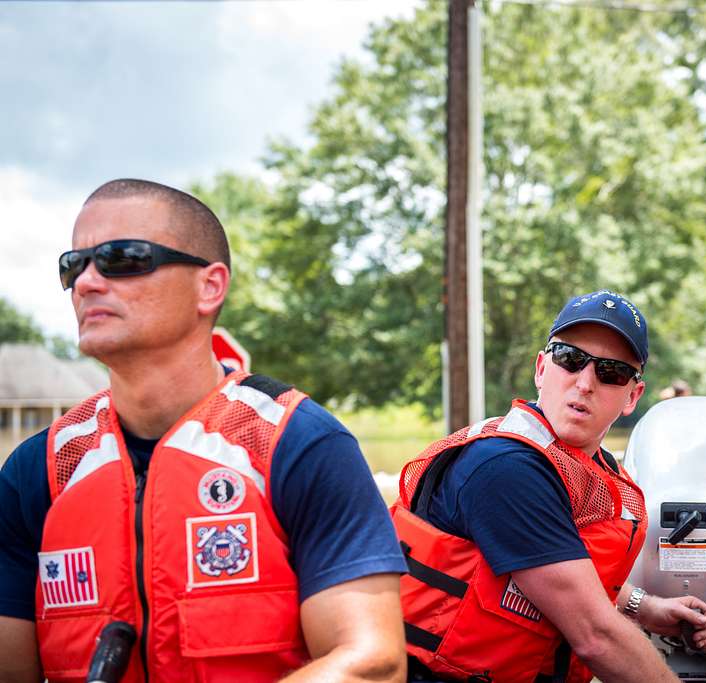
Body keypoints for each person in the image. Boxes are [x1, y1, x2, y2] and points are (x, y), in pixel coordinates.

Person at [0, 179, 408, 683]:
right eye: (73, 265)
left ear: (210, 286)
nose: (86, 282)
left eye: (121, 258)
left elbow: (372, 662)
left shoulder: (300, 444)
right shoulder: (36, 471)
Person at [392, 290, 706, 683]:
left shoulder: (586, 467)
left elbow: (556, 565)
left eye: (610, 372)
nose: (584, 383)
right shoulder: (507, 470)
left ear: (633, 396)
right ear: (542, 369)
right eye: (570, 360)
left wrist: (642, 606)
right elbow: (596, 637)